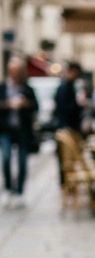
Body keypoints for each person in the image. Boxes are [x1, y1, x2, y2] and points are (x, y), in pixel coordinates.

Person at [0, 56, 39, 208]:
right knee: (6, 158)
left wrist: (26, 104)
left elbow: (36, 106)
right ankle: (8, 188)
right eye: (12, 71)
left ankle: (20, 191)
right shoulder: (3, 88)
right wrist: (6, 105)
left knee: (22, 162)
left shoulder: (27, 88)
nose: (15, 74)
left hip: (23, 130)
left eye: (17, 71)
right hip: (6, 129)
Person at [53, 62, 84, 133]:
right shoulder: (65, 87)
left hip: (67, 125)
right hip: (66, 126)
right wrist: (79, 105)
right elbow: (65, 108)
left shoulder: (70, 86)